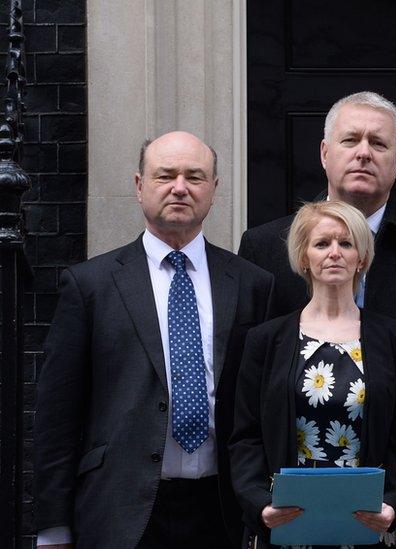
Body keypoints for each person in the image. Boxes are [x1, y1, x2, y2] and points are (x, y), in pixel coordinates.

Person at [32, 132, 274, 549]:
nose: (180, 187)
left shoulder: (253, 284)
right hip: (119, 509)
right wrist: (53, 527)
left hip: (222, 509)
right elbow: (58, 413)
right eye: (166, 175)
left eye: (195, 177)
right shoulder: (90, 285)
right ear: (140, 185)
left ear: (214, 190)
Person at [230, 200, 396, 548]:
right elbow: (245, 436)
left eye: (346, 244)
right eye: (322, 244)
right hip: (286, 521)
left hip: (365, 522)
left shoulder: (395, 339)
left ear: (361, 257)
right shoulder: (265, 340)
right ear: (304, 257)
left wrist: (392, 503)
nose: (335, 253)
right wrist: (260, 504)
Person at [238, 91, 396, 351]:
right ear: (325, 153)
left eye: (378, 143)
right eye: (350, 140)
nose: (364, 153)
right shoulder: (263, 247)